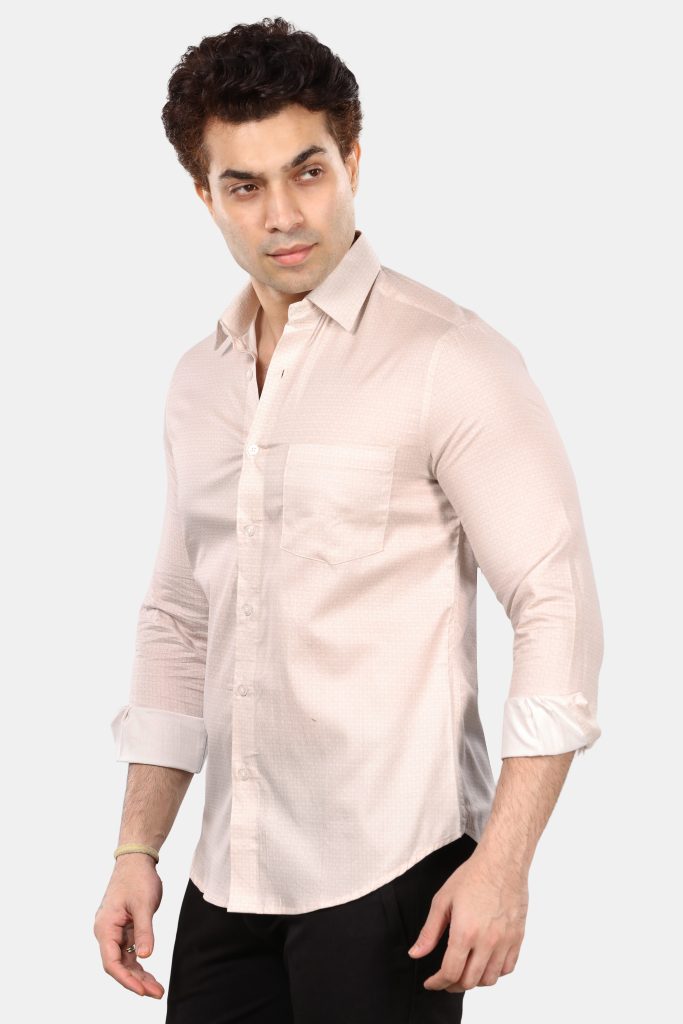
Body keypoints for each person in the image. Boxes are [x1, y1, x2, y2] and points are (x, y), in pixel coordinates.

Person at [93, 16, 604, 1024]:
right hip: (226, 879)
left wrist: (503, 861)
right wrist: (136, 848)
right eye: (244, 186)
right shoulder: (198, 382)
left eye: (309, 171)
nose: (284, 215)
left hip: (392, 878)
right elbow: (178, 620)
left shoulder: (448, 358)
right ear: (204, 196)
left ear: (353, 160)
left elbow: (556, 604)